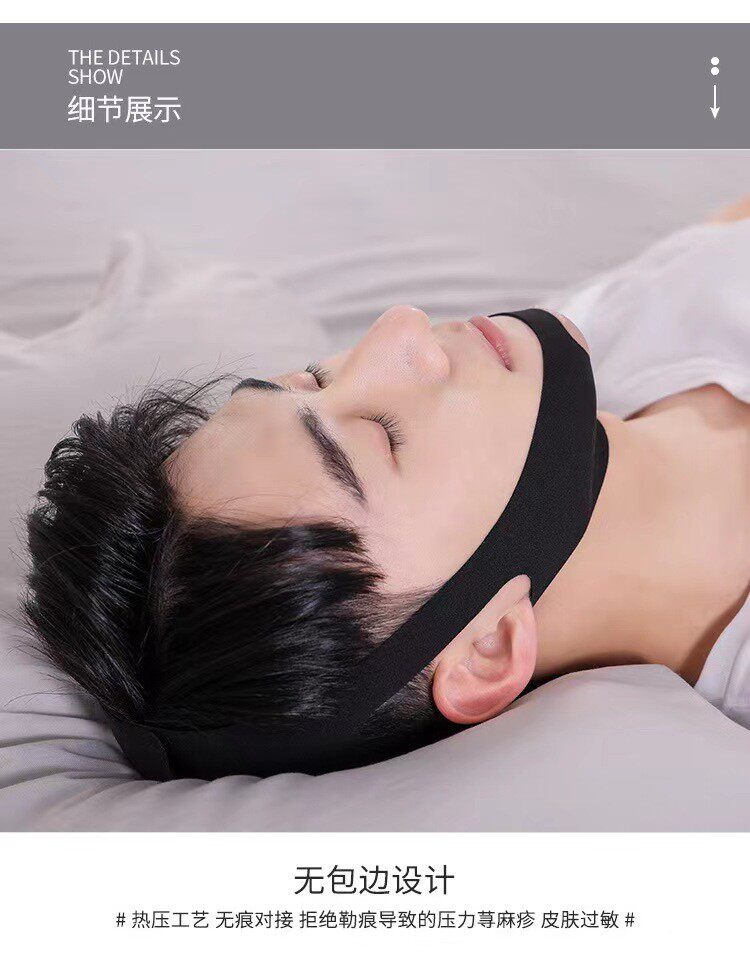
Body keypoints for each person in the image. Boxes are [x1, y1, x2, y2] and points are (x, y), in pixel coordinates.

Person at [23, 200, 750, 778]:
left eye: (316, 377)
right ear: (487, 647)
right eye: (383, 433)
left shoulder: (569, 348)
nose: (400, 329)